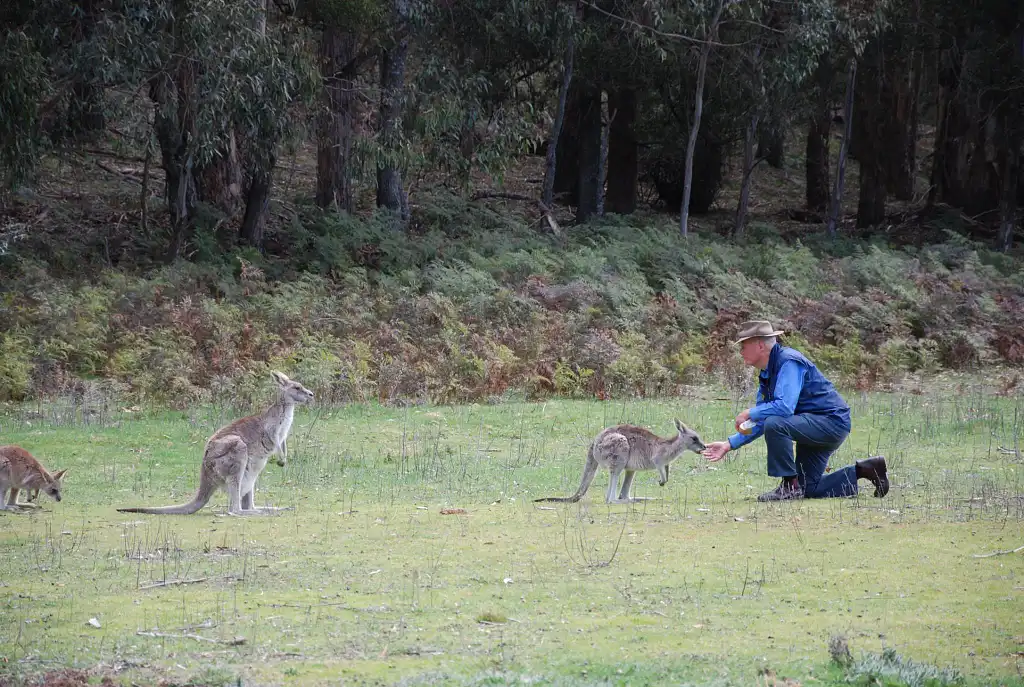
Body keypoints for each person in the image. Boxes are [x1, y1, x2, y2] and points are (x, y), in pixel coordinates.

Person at [701, 320, 889, 501]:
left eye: (744, 345)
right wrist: (728, 444)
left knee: (775, 423)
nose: (740, 351)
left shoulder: (788, 362)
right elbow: (762, 418)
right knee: (809, 488)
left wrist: (750, 412)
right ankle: (866, 469)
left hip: (830, 423)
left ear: (759, 346)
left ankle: (789, 486)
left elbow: (783, 408)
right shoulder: (767, 372)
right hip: (811, 425)